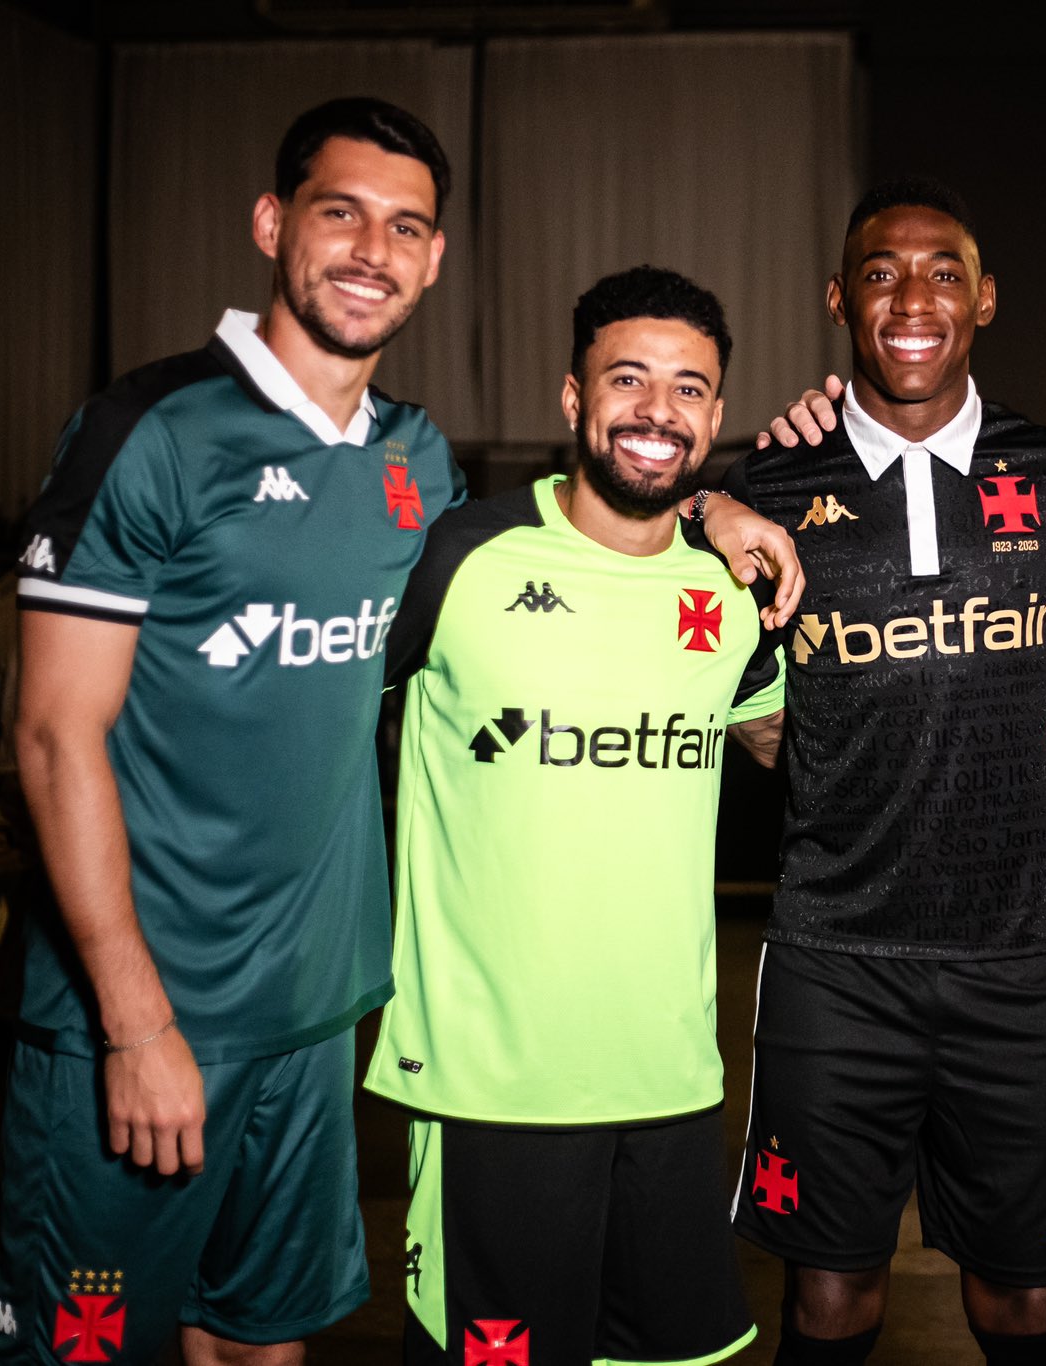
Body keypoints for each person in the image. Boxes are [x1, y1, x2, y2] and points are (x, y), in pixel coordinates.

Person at [0, 99, 799, 1365]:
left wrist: (710, 500)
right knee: (85, 1350)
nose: (372, 249)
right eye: (339, 212)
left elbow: (621, 505)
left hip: (319, 1013)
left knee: (260, 1336)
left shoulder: (414, 467)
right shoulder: (147, 432)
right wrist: (135, 1022)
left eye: (406, 226)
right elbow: (49, 740)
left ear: (434, 261)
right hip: (148, 1013)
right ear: (272, 225)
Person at [723, 179, 1046, 1366]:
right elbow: (732, 700)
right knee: (828, 1300)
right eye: (879, 273)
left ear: (985, 299)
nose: (912, 298)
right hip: (833, 958)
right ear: (837, 300)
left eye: (943, 272)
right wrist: (705, 499)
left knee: (1024, 1301)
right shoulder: (763, 487)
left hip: (1014, 954)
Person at [366, 266, 784, 1366]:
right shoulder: (461, 555)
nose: (659, 410)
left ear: (717, 413)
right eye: (629, 379)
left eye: (690, 388)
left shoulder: (732, 587)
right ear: (570, 397)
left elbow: (788, 743)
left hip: (673, 1078)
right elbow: (317, 729)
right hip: (492, 1082)